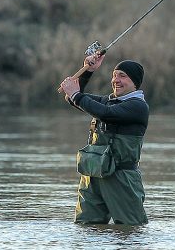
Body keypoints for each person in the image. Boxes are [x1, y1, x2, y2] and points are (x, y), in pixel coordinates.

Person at [59, 53, 149, 225]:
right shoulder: (109, 100)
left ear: (135, 82)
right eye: (114, 75)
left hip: (122, 178)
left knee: (131, 230)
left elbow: (105, 114)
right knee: (86, 228)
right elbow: (74, 99)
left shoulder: (138, 106)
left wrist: (76, 94)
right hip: (92, 172)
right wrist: (88, 71)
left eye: (122, 76)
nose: (116, 80)